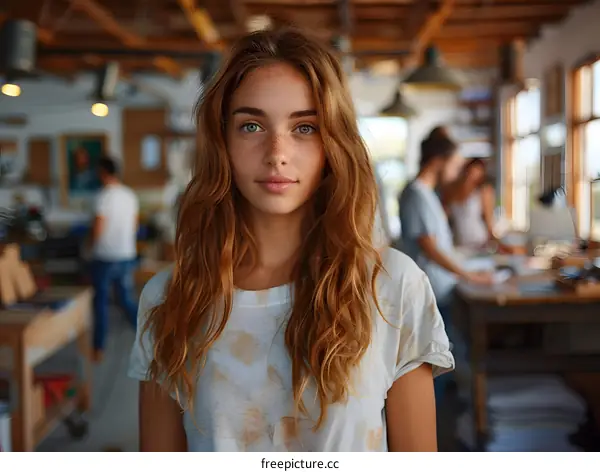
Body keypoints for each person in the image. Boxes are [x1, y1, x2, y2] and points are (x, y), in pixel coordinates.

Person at [128, 28, 454, 452]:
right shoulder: (171, 298)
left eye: (304, 128)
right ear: (222, 142)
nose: (276, 151)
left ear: (332, 144)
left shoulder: (391, 287)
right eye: (251, 125)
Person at [398, 135, 492, 401]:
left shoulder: (428, 194)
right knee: (435, 359)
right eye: (454, 164)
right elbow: (429, 246)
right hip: (432, 290)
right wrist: (468, 275)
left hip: (442, 287)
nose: (456, 171)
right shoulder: (415, 194)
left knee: (447, 352)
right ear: (439, 162)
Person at [91, 156, 139, 362]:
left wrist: (89, 246)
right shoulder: (130, 195)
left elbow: (98, 228)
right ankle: (151, 336)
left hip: (105, 257)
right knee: (124, 299)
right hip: (126, 255)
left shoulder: (103, 197)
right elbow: (135, 226)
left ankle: (99, 347)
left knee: (100, 302)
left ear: (103, 172)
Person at [442, 158, 497, 248]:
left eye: (478, 170)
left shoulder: (484, 191)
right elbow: (444, 215)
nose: (474, 173)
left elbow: (489, 220)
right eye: (473, 169)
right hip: (457, 241)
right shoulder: (452, 190)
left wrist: (496, 242)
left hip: (479, 241)